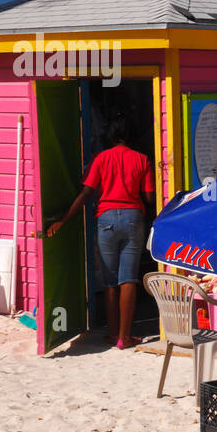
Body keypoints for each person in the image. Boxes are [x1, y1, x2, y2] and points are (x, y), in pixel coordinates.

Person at [46, 115, 154, 349]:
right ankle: (125, 338)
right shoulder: (142, 159)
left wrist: (63, 220)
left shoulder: (101, 158)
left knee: (109, 280)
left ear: (111, 135)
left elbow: (86, 193)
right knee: (129, 279)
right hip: (133, 218)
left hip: (105, 219)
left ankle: (112, 333)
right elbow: (149, 197)